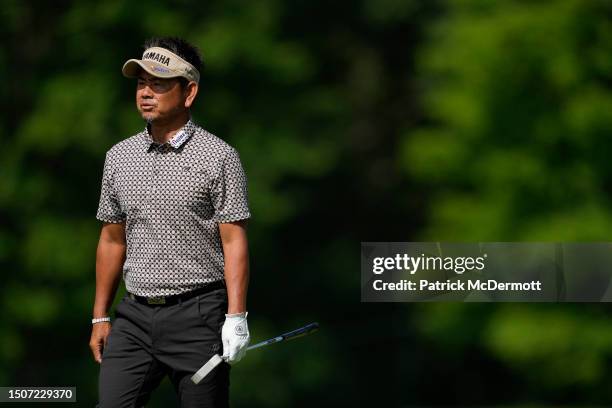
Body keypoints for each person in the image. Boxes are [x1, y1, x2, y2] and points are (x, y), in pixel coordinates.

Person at [89, 37, 251, 408]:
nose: (146, 93)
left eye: (159, 84)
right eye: (141, 83)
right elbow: (112, 239)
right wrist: (100, 317)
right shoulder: (119, 157)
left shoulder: (219, 157)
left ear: (189, 92)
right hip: (134, 316)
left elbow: (234, 241)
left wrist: (236, 316)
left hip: (198, 316)